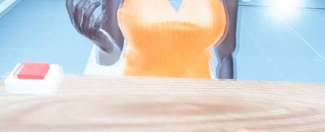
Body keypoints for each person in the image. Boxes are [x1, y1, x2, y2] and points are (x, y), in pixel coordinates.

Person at [66, 0, 239, 78]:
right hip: (138, 100)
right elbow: (111, 56)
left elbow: (226, 56)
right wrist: (98, 38)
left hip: (199, 101)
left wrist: (227, 102)